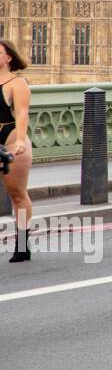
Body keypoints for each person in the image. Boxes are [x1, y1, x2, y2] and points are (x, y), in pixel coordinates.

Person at [0, 39, 34, 263]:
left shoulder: (17, 83)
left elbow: (22, 114)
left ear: (8, 57)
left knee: (17, 194)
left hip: (10, 139)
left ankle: (22, 242)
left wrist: (21, 139)